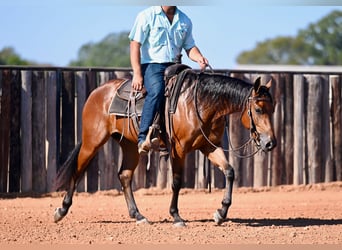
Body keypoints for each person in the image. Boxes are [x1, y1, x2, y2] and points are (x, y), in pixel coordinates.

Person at [129, 6, 209, 154]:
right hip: (152, 65)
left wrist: (199, 58)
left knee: (191, 91)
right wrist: (137, 73)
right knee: (157, 91)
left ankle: (175, 133)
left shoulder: (185, 20)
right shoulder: (147, 15)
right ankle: (143, 137)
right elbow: (135, 44)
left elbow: (189, 47)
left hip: (176, 66)